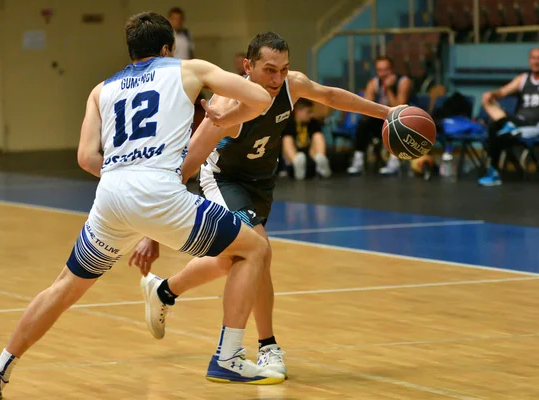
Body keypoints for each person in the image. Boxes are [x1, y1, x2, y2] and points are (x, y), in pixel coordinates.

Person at [0, 12, 284, 399]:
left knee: (65, 286)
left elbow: (87, 157)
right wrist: (225, 115)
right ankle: (229, 356)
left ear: (131, 50)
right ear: (168, 48)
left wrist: (126, 180)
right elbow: (260, 97)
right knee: (254, 248)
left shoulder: (101, 90)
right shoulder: (189, 68)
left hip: (111, 195)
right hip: (158, 189)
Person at [131, 31, 403, 381]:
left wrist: (387, 112)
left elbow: (330, 96)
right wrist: (151, 231)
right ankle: (267, 346)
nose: (277, 80)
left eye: (283, 70)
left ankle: (164, 290)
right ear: (248, 67)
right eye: (269, 70)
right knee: (260, 251)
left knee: (234, 261)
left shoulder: (292, 85)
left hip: (262, 183)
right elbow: (188, 164)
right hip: (224, 180)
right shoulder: (227, 105)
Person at [478, 47, 539, 186]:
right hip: (517, 120)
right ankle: (508, 127)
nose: (536, 61)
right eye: (533, 58)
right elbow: (502, 92)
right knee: (489, 108)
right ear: (529, 60)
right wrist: (492, 94)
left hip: (533, 123)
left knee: (497, 130)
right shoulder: (523, 79)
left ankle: (493, 171)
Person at [347, 56, 413, 175]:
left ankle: (394, 160)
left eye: (386, 69)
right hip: (380, 120)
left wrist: (388, 89)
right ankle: (358, 159)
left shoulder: (404, 82)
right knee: (363, 122)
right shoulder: (373, 83)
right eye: (379, 70)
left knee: (395, 121)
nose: (383, 74)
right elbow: (365, 107)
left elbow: (399, 107)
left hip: (402, 120)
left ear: (392, 69)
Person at [281, 98, 331, 179]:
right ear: (298, 111)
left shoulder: (313, 122)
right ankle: (296, 162)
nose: (311, 115)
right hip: (293, 159)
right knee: (286, 138)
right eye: (308, 112)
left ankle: (321, 160)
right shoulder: (288, 123)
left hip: (311, 156)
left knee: (317, 135)